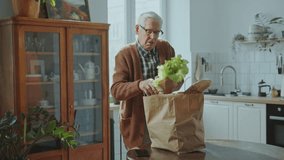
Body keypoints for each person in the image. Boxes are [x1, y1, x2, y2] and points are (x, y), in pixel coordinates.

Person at [111, 11, 182, 150]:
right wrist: (140, 85)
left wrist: (171, 83)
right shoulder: (124, 54)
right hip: (137, 123)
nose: (153, 37)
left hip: (164, 120)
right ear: (138, 29)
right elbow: (116, 90)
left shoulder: (166, 48)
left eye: (157, 32)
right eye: (149, 31)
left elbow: (178, 80)